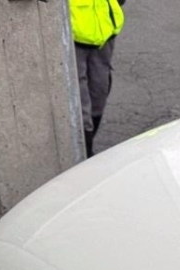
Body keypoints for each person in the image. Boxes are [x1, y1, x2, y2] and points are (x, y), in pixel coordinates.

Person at [70, 0, 125, 156]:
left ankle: (86, 146)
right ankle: (84, 154)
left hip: (105, 32)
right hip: (74, 37)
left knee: (99, 94)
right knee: (81, 104)